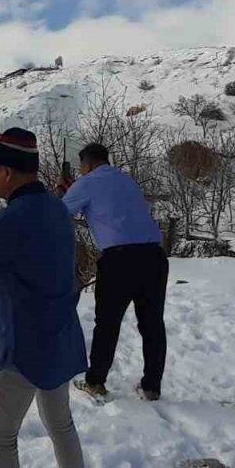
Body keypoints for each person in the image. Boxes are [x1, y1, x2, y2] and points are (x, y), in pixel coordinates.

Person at [0, 128, 86, 468]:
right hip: (60, 337)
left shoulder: (14, 218)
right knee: (61, 424)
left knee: (0, 437)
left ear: (6, 172)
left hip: (24, 347)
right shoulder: (54, 208)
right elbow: (0, 243)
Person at [57, 143, 168, 402]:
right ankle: (152, 386)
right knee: (152, 324)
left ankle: (95, 382)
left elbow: (60, 214)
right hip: (154, 256)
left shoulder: (85, 184)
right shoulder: (125, 179)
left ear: (87, 164)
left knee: (107, 324)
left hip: (120, 260)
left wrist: (65, 192)